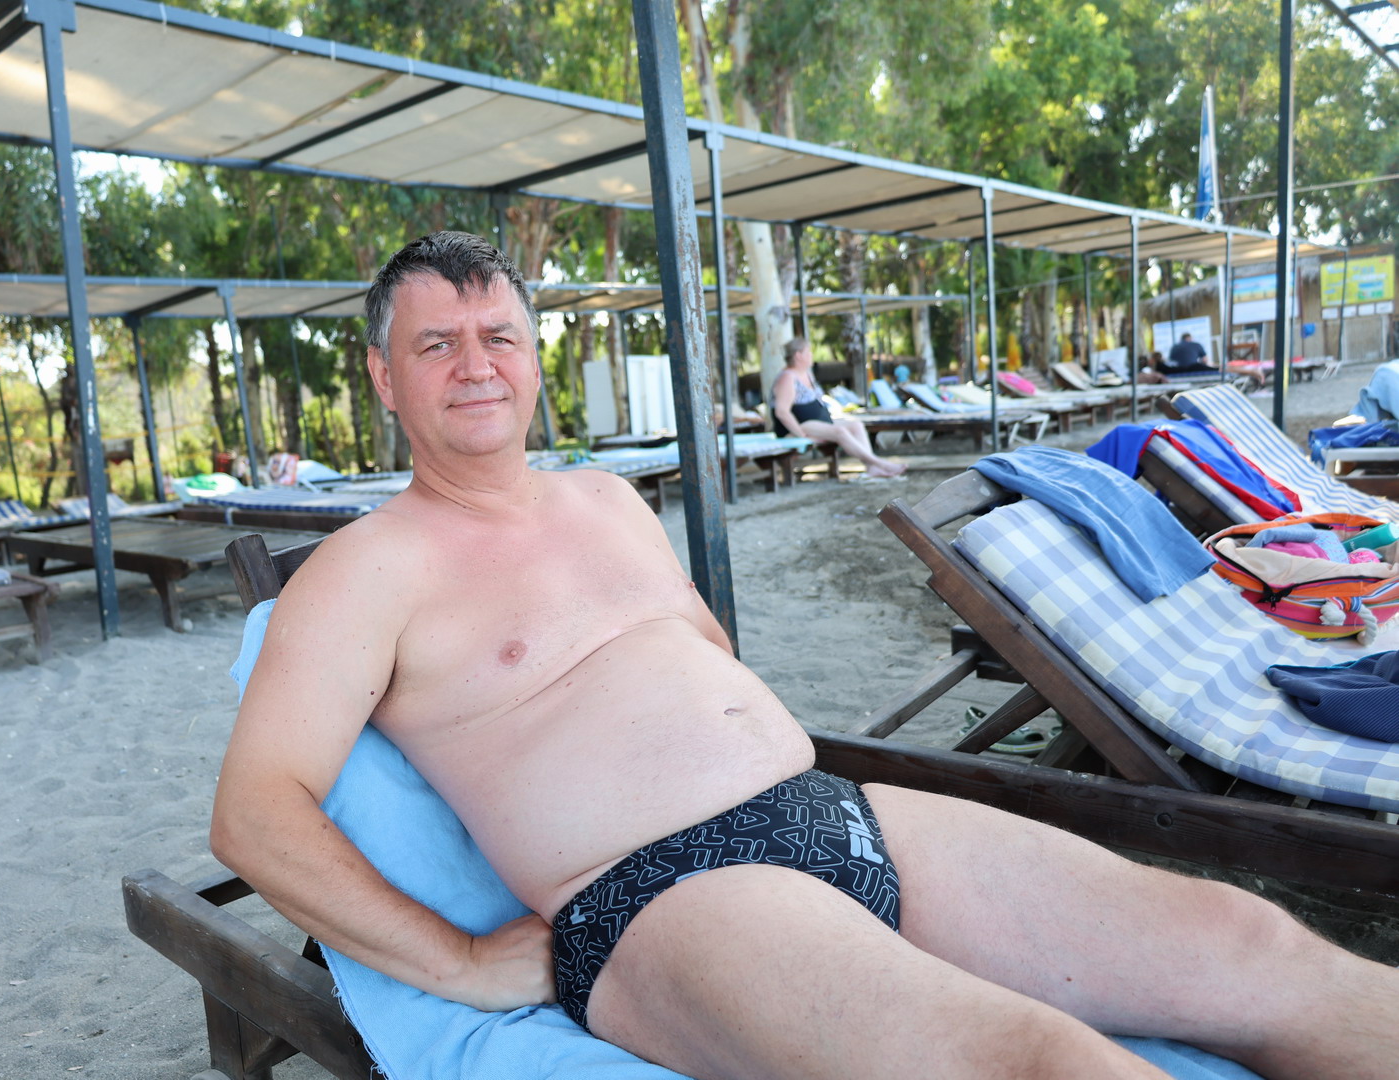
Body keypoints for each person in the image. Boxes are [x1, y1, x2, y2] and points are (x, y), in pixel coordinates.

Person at [213, 231, 1399, 1080]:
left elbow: (699, 662)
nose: (476, 364)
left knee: (1249, 942)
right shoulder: (365, 569)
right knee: (1035, 1061)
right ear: (383, 376)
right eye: (436, 345)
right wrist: (461, 962)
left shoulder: (607, 501)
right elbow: (257, 816)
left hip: (832, 811)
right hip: (657, 900)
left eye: (499, 336)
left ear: (531, 356)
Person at [770, 338, 906, 478]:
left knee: (856, 425)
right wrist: (801, 435)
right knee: (840, 432)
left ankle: (871, 467)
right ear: (798, 355)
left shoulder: (807, 373)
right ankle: (880, 463)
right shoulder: (787, 378)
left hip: (819, 421)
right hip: (799, 426)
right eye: (808, 352)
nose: (811, 355)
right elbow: (781, 412)